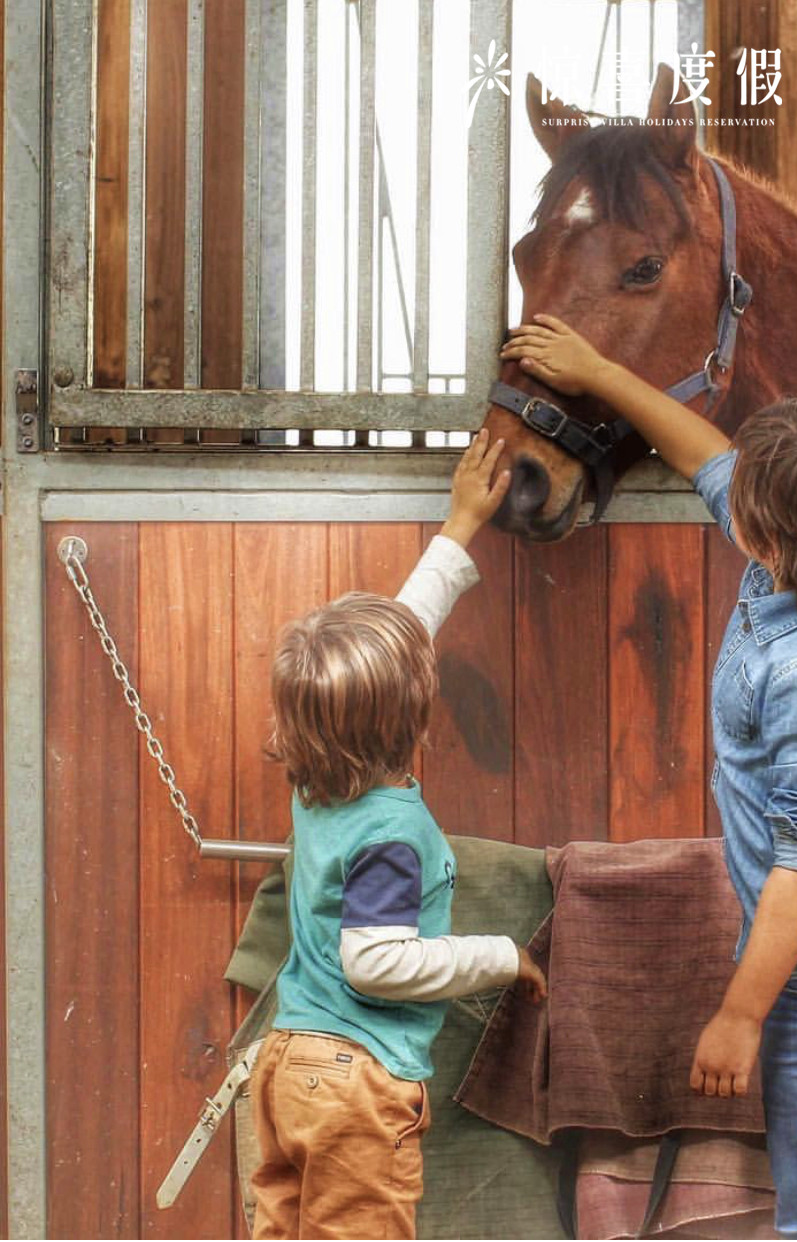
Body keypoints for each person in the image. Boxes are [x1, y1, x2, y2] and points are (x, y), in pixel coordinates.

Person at [501, 315, 797, 1240]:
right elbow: (710, 455)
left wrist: (741, 1017)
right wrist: (598, 371)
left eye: (744, 493)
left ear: (769, 541)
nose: (726, 488)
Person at [249, 429, 548, 1241]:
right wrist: (500, 955)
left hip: (287, 1064)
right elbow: (375, 963)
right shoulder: (391, 834)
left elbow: (397, 637)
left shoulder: (317, 779)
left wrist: (460, 528)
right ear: (414, 712)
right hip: (354, 1078)